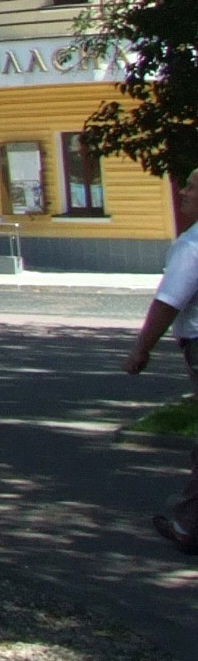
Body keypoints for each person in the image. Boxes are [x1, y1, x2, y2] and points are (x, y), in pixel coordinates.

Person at [122, 216, 198, 550]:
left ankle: (189, 526)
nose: (183, 190)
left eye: (192, 186)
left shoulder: (192, 245)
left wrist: (141, 349)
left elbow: (169, 301)